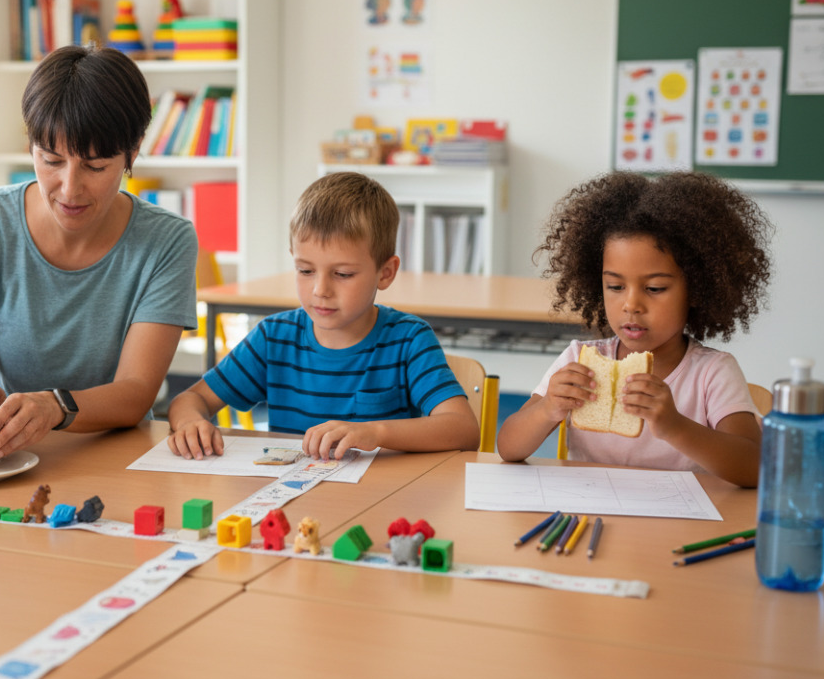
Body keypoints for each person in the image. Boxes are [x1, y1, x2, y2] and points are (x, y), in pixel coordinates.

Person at [0, 45, 197, 459]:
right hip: (7, 457)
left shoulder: (167, 241)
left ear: (134, 149)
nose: (70, 189)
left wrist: (56, 406)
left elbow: (135, 393)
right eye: (51, 160)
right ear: (31, 146)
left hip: (116, 456)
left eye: (95, 167)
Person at [168, 171, 480, 461]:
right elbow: (189, 400)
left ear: (385, 273)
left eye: (342, 274)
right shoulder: (273, 338)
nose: (320, 289)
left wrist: (376, 432)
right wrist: (191, 423)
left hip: (380, 501)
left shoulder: (408, 339)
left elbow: (464, 430)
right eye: (305, 270)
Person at [496, 171, 773, 487]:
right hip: (591, 517)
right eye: (615, 286)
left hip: (680, 527)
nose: (631, 304)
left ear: (697, 289)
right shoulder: (579, 358)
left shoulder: (713, 372)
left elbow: (753, 468)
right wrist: (547, 409)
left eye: (655, 288)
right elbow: (508, 447)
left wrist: (674, 426)